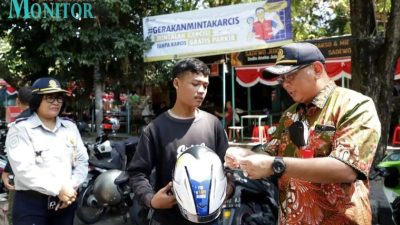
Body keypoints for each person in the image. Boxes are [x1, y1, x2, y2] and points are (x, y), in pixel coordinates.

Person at [224, 43, 381, 225]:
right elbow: (270, 153)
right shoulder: (290, 114)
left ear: (316, 69)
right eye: (282, 79)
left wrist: (277, 165)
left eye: (290, 75)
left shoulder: (354, 105)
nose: (285, 84)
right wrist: (246, 155)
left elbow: (346, 169)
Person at [128, 58, 232, 225]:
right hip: (169, 219)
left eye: (205, 85)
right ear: (176, 83)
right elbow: (137, 173)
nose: (201, 90)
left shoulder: (213, 124)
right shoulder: (155, 129)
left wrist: (227, 189)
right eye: (195, 84)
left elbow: (228, 167)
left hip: (211, 219)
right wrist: (151, 200)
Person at [5, 77, 89, 225]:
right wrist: (58, 189)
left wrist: (70, 187)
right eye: (49, 98)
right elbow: (24, 170)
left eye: (58, 98)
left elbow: (82, 160)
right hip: (32, 204)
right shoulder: (20, 129)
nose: (56, 102)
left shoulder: (70, 127)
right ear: (37, 100)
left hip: (65, 202)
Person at [1, 86, 32, 225]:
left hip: (22, 177)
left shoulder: (19, 123)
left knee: (16, 214)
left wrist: (7, 171)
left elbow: (17, 154)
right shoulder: (48, 119)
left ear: (18, 101)